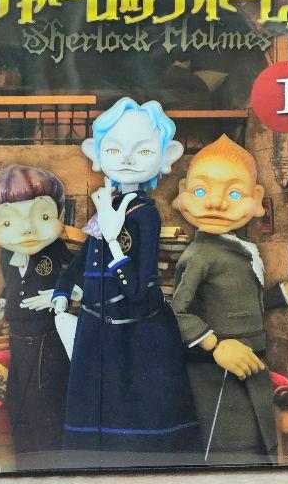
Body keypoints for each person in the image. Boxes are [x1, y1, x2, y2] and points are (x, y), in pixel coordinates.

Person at [170, 135, 288, 463]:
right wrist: (216, 345)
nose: (216, 203)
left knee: (260, 438)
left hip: (252, 364)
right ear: (183, 193)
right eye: (201, 192)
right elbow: (178, 311)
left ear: (256, 198)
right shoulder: (199, 255)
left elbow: (248, 303)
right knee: (230, 442)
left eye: (234, 194)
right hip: (217, 372)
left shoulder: (238, 251)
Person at [51, 97, 200, 459]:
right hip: (96, 325)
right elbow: (84, 256)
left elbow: (138, 287)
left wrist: (116, 240)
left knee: (136, 417)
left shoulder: (145, 214)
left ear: (165, 157)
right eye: (114, 149)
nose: (128, 159)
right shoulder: (107, 205)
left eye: (143, 150)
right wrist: (62, 290)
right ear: (96, 154)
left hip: (135, 331)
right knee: (94, 416)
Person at [0, 164, 71, 461]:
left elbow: (85, 279)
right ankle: (26, 460)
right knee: (19, 402)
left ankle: (50, 463)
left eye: (43, 217)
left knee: (46, 403)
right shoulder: (7, 254)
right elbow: (11, 286)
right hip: (18, 338)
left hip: (47, 338)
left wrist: (60, 295)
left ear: (60, 216)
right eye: (7, 222)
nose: (28, 229)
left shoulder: (58, 250)